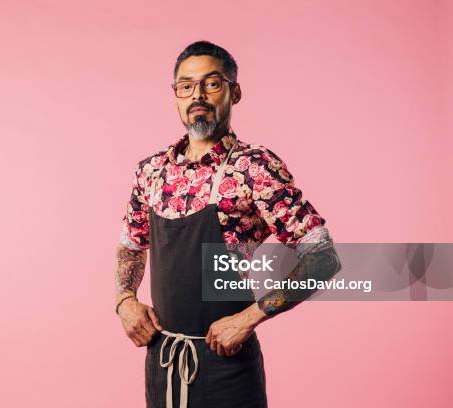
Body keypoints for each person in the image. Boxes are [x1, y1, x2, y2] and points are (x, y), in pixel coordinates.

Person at [114, 40, 341, 408]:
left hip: (228, 368)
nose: (197, 95)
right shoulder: (152, 171)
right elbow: (131, 243)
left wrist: (249, 318)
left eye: (212, 83)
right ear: (175, 95)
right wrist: (125, 300)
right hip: (164, 361)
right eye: (186, 86)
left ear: (234, 92)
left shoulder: (255, 167)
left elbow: (323, 257)